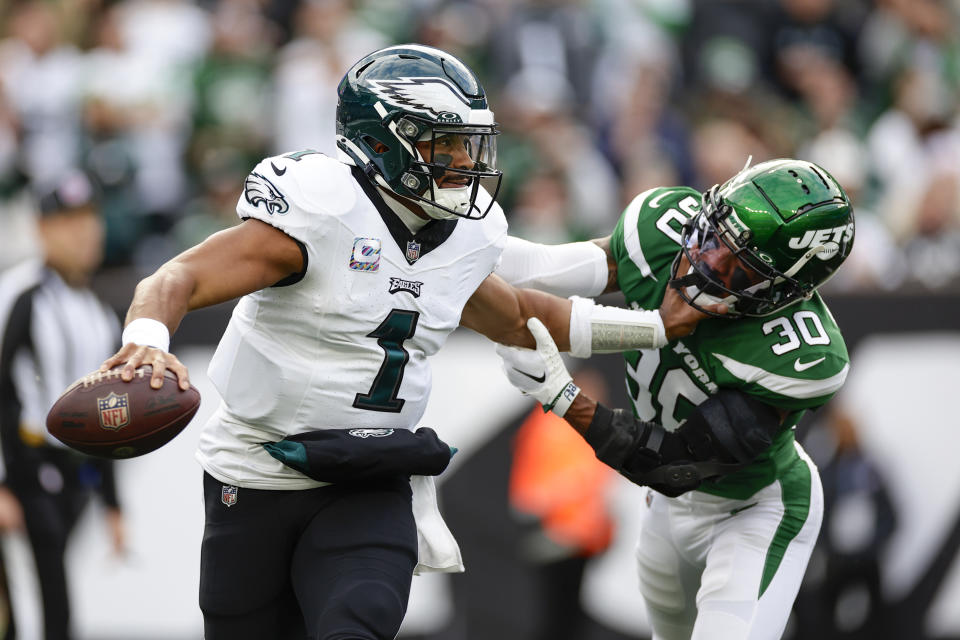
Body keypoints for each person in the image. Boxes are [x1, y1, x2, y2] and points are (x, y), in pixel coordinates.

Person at [97, 44, 726, 640]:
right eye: (445, 145)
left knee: (358, 622)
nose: (466, 163)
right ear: (378, 142)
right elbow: (177, 276)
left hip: (369, 475)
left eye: (470, 144)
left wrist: (655, 325)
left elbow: (525, 317)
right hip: (255, 470)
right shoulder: (319, 211)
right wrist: (149, 338)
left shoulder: (459, 237)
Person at [495, 158, 854, 640]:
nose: (706, 263)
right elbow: (539, 267)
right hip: (666, 515)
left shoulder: (797, 355)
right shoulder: (664, 230)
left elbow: (675, 465)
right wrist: (442, 251)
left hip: (752, 509)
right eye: (711, 237)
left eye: (738, 269)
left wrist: (563, 397)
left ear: (782, 293)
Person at [0, 170, 126, 640]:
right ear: (41, 228)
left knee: (52, 603)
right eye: (68, 221)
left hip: (73, 471)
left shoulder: (98, 312)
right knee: (41, 610)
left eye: (89, 219)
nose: (84, 232)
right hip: (22, 465)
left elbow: (112, 411)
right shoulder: (19, 294)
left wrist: (114, 502)